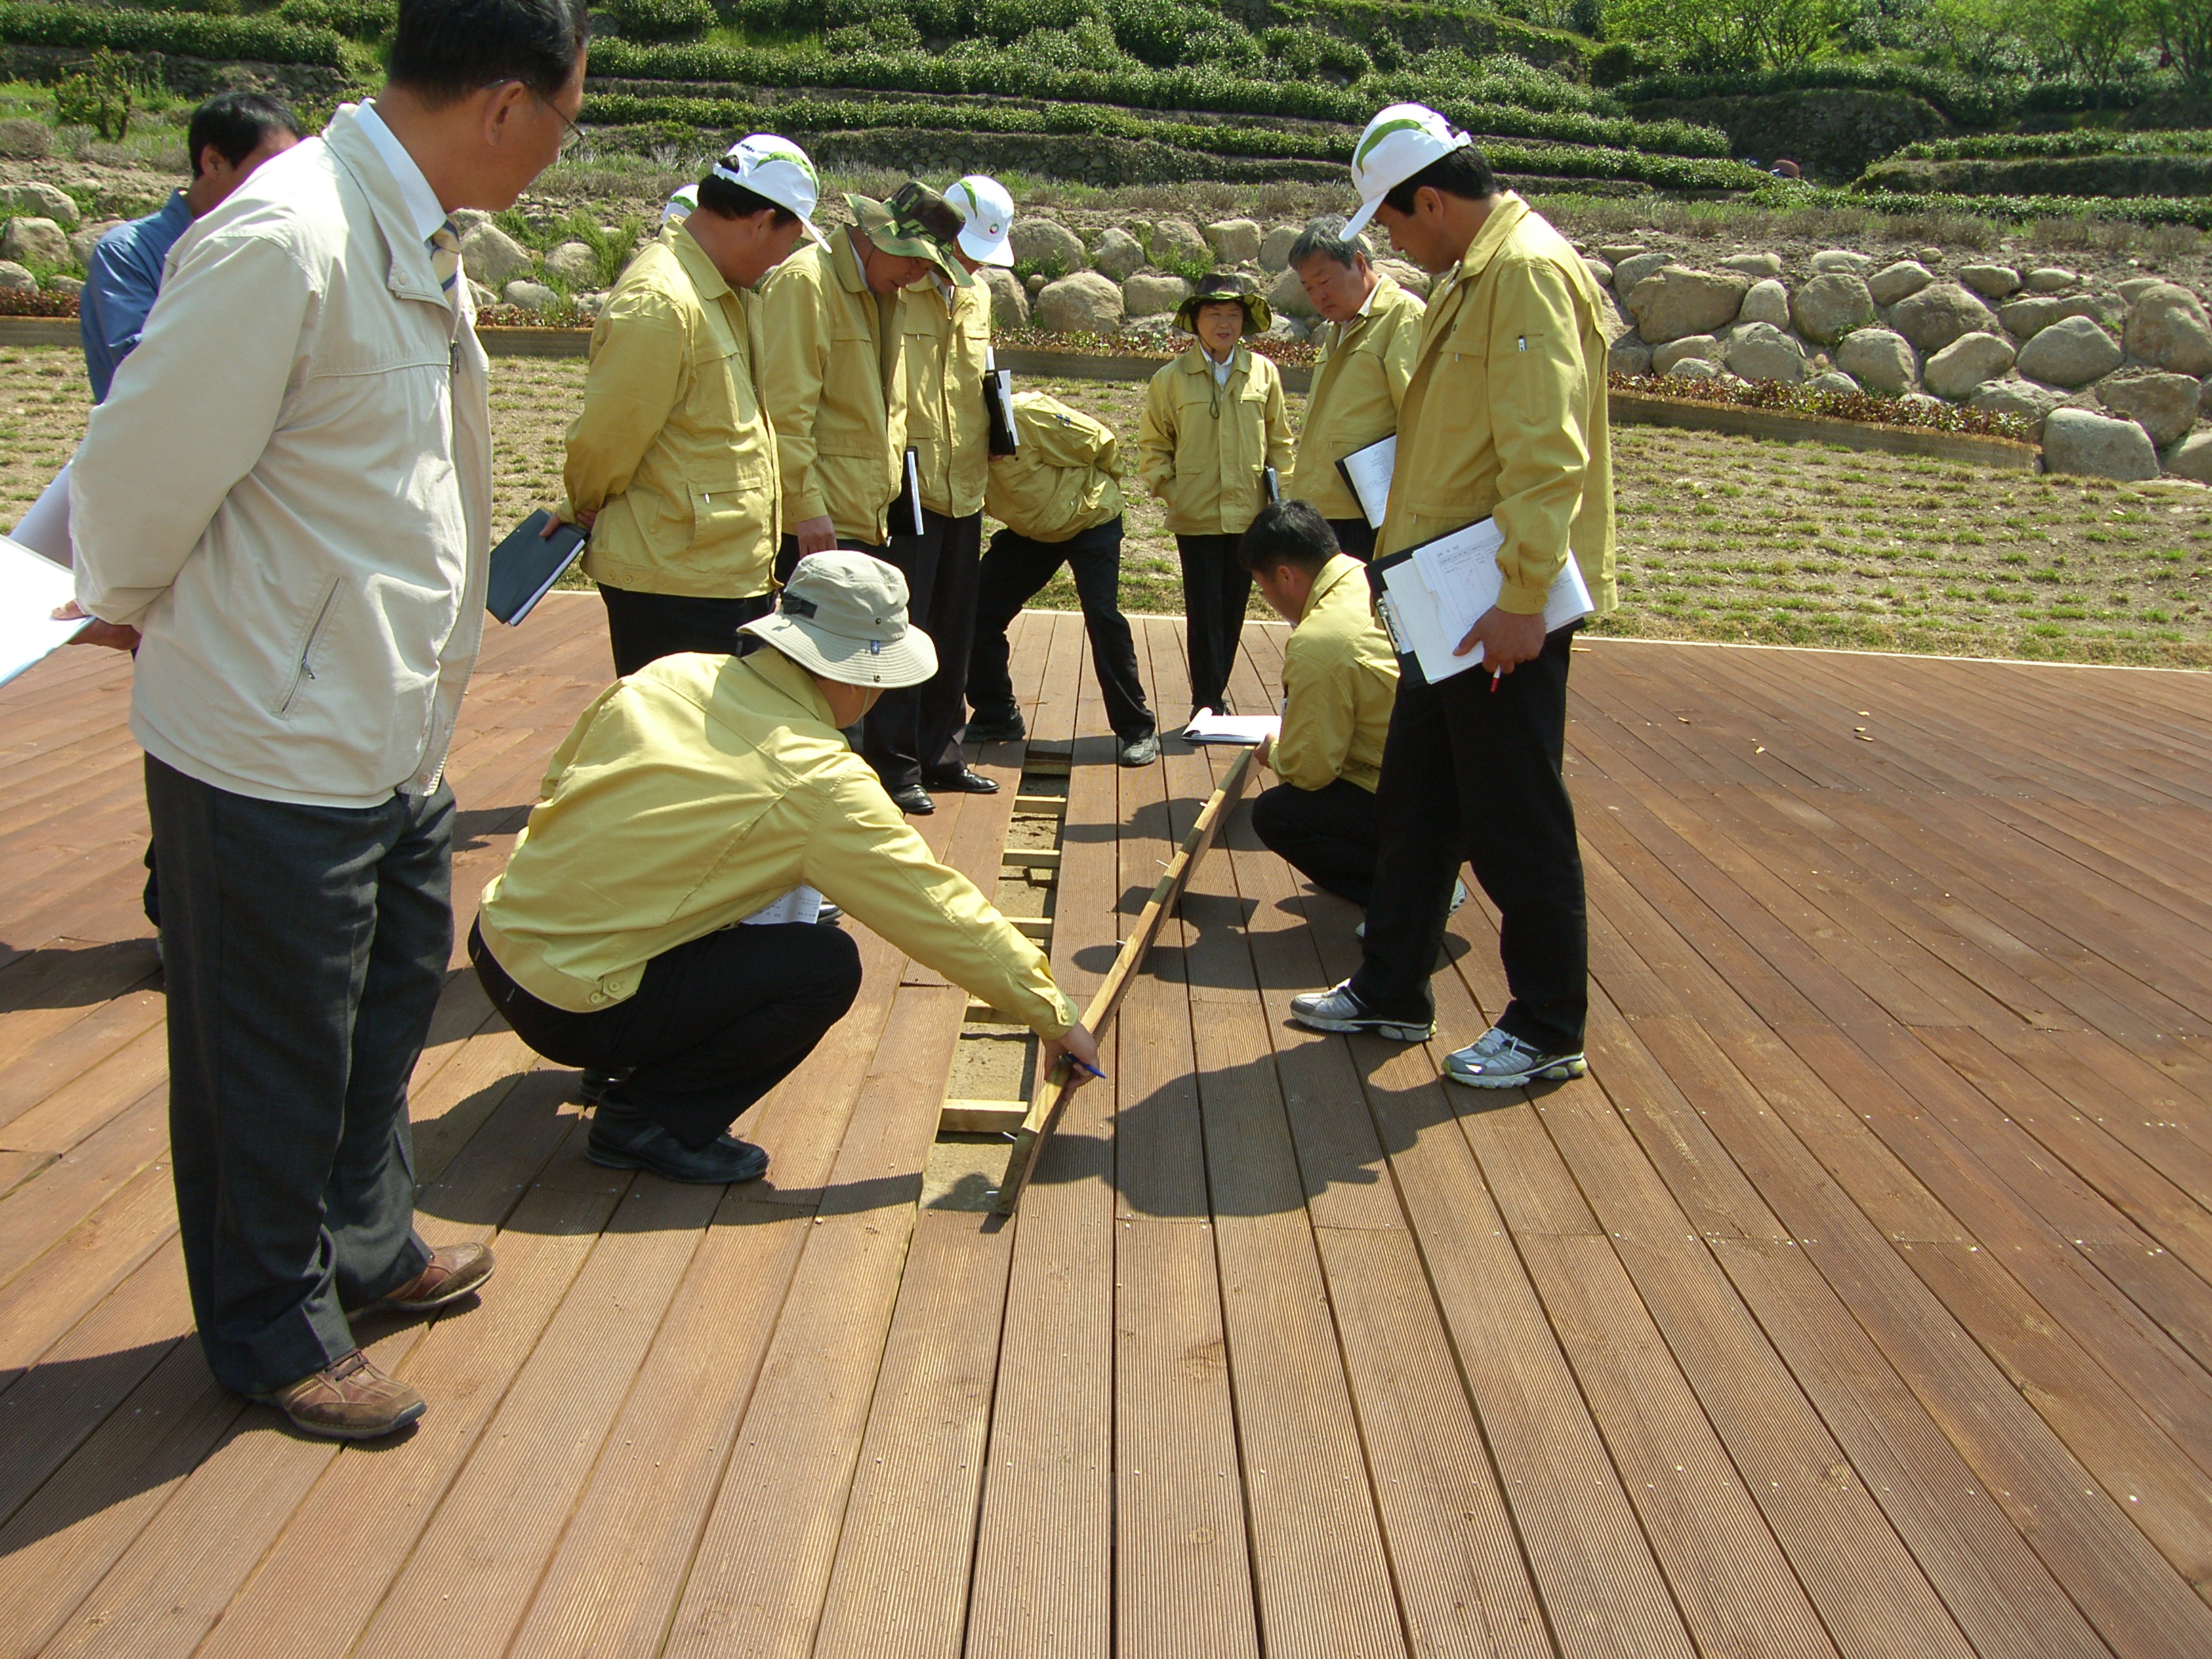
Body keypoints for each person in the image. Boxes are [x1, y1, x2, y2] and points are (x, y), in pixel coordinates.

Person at [70, 0, 591, 1442]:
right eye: (568, 115)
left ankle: (369, 1247)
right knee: (266, 1053)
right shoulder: (286, 235)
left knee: (374, 1019)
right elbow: (133, 476)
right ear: (503, 104)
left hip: (382, 728)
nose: (565, 146)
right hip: (269, 739)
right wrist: (134, 599)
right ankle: (269, 1328)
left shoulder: (410, 233)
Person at [469, 551, 1101, 1183]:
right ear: (857, 674)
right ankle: (649, 1120)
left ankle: (625, 1062)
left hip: (497, 940)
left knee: (706, 891)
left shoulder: (668, 676)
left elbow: (557, 790)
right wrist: (1051, 1011)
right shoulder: (821, 779)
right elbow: (937, 910)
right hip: (571, 1009)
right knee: (821, 966)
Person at [1287, 103, 1616, 1091]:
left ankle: (1547, 1022)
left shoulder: (1522, 274)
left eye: (1388, 221)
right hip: (1445, 596)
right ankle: (1393, 985)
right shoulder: (1481, 274)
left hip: (1493, 605)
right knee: (1418, 802)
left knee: (1518, 819)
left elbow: (1546, 452)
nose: (1385, 239)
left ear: (1431, 199)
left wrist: (1522, 598)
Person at [560, 134, 821, 676]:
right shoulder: (661, 299)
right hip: (673, 580)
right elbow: (606, 440)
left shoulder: (724, 292)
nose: (784, 258)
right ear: (760, 221)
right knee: (677, 749)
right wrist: (584, 501)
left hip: (716, 570)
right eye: (789, 240)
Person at [865, 173, 1010, 815]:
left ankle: (943, 755)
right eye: (969, 249)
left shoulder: (977, 296)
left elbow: (979, 380)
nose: (976, 263)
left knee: (952, 624)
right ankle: (895, 766)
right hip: (910, 482)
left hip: (965, 484)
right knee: (904, 624)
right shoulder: (900, 287)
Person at [755, 179, 964, 588]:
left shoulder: (886, 292)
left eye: (927, 268)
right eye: (915, 261)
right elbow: (784, 414)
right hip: (818, 527)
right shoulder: (808, 283)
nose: (916, 275)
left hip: (866, 522)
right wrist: (807, 508)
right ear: (880, 235)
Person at [965, 389, 1159, 768]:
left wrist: (1086, 491)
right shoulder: (951, 444)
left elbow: (1103, 445)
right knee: (977, 608)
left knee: (1102, 616)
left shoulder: (1028, 413)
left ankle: (1137, 729)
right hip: (1033, 530)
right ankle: (996, 714)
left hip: (1090, 516)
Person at [1136, 271, 1294, 720]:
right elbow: (1153, 446)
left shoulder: (1264, 372)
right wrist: (1173, 490)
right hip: (1196, 515)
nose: (1224, 323)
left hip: (1249, 514)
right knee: (1204, 609)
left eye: (1233, 314)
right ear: (1195, 320)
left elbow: (1280, 441)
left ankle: (1213, 693)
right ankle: (1206, 700)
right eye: (1214, 314)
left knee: (1233, 607)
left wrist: (1280, 495)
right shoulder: (1169, 379)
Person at [80, 90, 303, 405]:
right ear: (214, 162)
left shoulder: (279, 249)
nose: (287, 184)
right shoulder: (127, 252)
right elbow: (145, 368)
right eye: (272, 169)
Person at [1239, 499, 1398, 907]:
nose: (1268, 599)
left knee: (1277, 814)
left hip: (1421, 803)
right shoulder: (1368, 577)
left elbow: (1308, 772)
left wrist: (1273, 751)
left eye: (1264, 588)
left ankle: (1409, 889)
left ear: (1285, 575)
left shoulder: (1319, 641)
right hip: (1466, 785)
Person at [1284, 214, 1425, 561]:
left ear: (1359, 263)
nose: (1318, 295)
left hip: (1369, 513)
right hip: (1325, 509)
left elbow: (1419, 416)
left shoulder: (1402, 315)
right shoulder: (1339, 328)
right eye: (1308, 288)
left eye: (1324, 280)